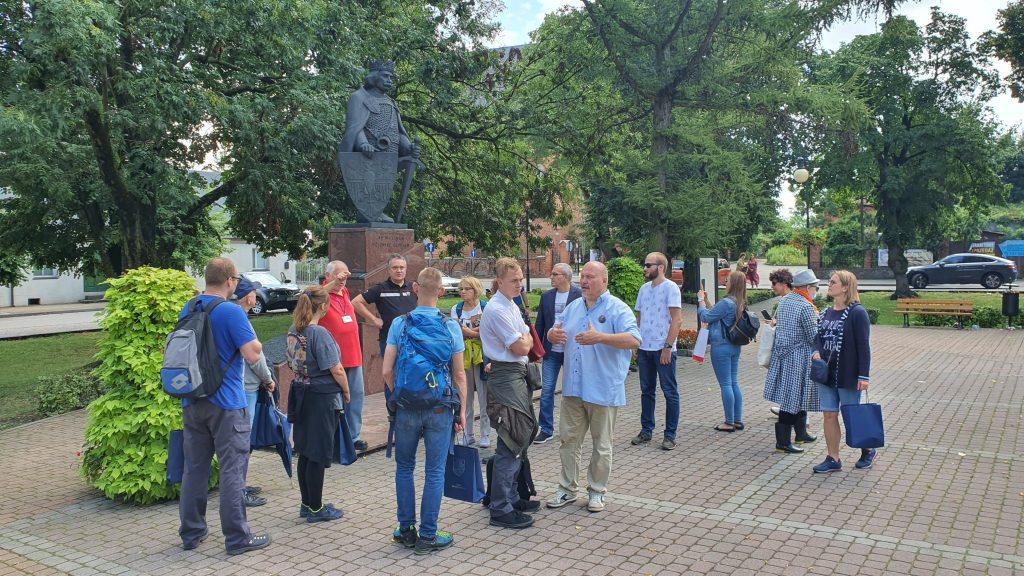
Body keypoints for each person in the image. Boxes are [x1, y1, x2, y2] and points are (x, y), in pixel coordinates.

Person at [178, 258, 271, 555]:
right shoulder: (231, 311)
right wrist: (255, 342)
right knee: (232, 471)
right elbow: (252, 354)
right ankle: (237, 538)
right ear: (231, 280)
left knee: (194, 469)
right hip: (227, 404)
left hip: (192, 399)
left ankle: (192, 533)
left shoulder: (189, 307)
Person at [383, 267, 467, 554]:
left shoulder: (399, 324)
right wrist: (462, 411)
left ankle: (405, 530)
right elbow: (459, 376)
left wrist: (401, 395)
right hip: (440, 408)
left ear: (415, 288)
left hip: (406, 408)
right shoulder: (450, 326)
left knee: (404, 468)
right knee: (434, 471)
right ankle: (428, 536)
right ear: (442, 292)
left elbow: (385, 371)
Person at [545, 261, 641, 513]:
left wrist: (601, 337)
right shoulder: (574, 307)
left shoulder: (617, 308)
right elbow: (554, 331)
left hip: (602, 388)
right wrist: (550, 335)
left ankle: (597, 491)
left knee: (601, 445)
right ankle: (567, 489)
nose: (584, 281)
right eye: (582, 276)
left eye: (591, 277)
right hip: (573, 388)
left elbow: (634, 339)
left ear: (604, 281)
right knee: (568, 441)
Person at [479, 258, 538, 529]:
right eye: (514, 280)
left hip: (515, 374)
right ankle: (501, 508)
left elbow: (525, 337)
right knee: (511, 441)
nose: (519, 284)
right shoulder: (497, 309)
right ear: (499, 281)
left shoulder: (510, 304)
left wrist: (523, 339)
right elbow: (521, 346)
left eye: (521, 279)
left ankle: (511, 497)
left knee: (522, 436)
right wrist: (523, 340)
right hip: (506, 376)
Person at [287, 281, 351, 522]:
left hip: (301, 392)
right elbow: (336, 368)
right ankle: (316, 508)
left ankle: (306, 503)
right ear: (323, 306)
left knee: (304, 450)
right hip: (321, 395)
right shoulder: (319, 333)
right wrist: (346, 391)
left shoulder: (294, 329)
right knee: (317, 453)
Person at [812, 270, 874, 473]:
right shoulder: (825, 313)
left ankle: (868, 449)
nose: (828, 285)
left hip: (848, 373)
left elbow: (863, 347)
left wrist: (864, 376)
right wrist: (815, 352)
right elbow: (817, 338)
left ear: (846, 287)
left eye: (833, 282)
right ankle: (833, 458)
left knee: (851, 415)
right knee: (829, 415)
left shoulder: (857, 312)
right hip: (825, 374)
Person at [763, 269, 820, 454]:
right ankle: (783, 442)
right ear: (808, 287)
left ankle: (801, 433)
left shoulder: (785, 300)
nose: (816, 290)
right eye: (815, 287)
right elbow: (813, 336)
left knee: (796, 395)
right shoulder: (805, 306)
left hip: (783, 356)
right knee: (792, 399)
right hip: (799, 358)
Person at [230, 276, 275, 506]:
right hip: (246, 388)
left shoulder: (233, 317)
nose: (256, 295)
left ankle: (240, 485)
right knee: (242, 443)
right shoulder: (242, 321)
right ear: (248, 297)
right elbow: (254, 359)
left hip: (240, 387)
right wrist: (268, 379)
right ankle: (239, 491)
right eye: (254, 292)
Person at [631, 253, 682, 451]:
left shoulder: (671, 288)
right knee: (647, 391)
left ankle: (670, 435)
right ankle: (646, 430)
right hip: (645, 348)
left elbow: (677, 320)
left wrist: (668, 347)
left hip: (663, 348)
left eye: (647, 265)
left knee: (669, 391)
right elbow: (639, 318)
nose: (644, 268)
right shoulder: (644, 289)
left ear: (660, 267)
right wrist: (636, 343)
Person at [351, 254, 417, 398]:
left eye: (402, 267)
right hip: (389, 341)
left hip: (413, 340)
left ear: (406, 269)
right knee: (391, 375)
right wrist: (374, 320)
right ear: (388, 270)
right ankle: (393, 409)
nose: (398, 270)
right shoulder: (380, 289)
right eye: (395, 267)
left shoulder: (414, 288)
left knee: (412, 374)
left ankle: (409, 406)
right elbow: (355, 302)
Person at [320, 260, 367, 452]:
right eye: (338, 275)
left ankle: (353, 436)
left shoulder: (345, 292)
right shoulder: (321, 294)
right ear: (328, 275)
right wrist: (333, 283)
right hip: (333, 360)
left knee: (355, 398)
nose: (342, 280)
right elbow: (310, 295)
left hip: (353, 356)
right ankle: (331, 439)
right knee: (334, 402)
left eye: (345, 275)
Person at [533, 263, 582, 445]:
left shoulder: (579, 295)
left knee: (572, 390)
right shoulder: (546, 296)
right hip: (550, 351)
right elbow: (540, 324)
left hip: (571, 351)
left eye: (555, 274)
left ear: (566, 277)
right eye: (551, 273)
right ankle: (546, 429)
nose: (551, 277)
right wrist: (536, 350)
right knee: (546, 390)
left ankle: (573, 428)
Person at [697, 271, 747, 432]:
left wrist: (700, 302)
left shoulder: (726, 302)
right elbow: (717, 314)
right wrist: (707, 301)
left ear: (733, 284)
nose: (725, 283)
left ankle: (729, 422)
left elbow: (706, 317)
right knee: (733, 382)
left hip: (721, 347)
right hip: (734, 346)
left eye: (727, 281)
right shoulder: (739, 301)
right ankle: (737, 419)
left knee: (725, 384)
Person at [450, 276, 491, 447]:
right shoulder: (456, 309)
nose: (463, 292)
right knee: (464, 396)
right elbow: (455, 331)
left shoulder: (485, 307)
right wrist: (474, 331)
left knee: (484, 396)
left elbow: (487, 331)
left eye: (467, 288)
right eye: (461, 289)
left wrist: (468, 331)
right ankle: (468, 433)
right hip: (463, 356)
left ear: (475, 290)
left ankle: (485, 434)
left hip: (482, 356)